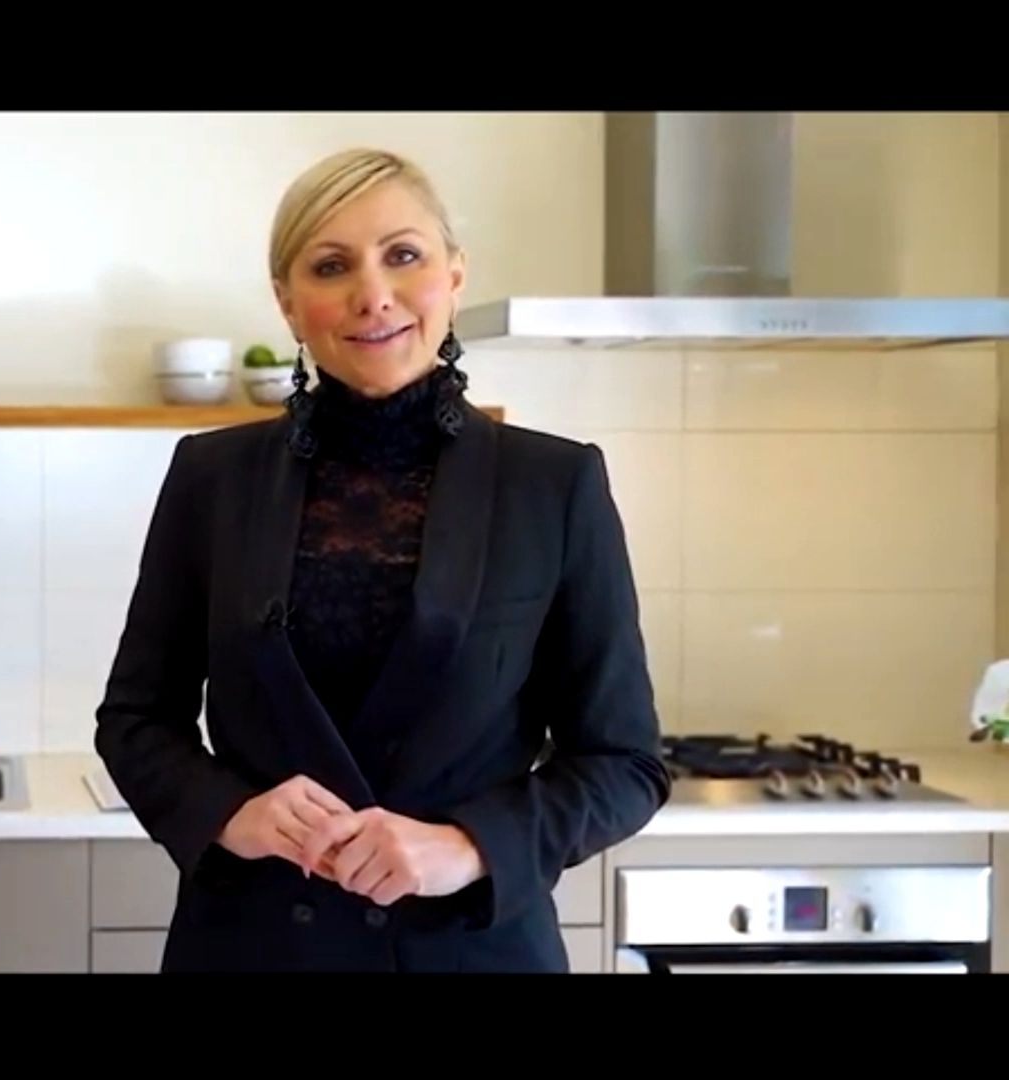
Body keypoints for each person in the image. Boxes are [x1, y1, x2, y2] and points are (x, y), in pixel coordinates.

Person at [93, 147, 670, 973]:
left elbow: (625, 763)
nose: (373, 295)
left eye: (403, 255)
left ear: (455, 275)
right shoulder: (212, 477)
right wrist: (231, 813)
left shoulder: (555, 484)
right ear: (289, 303)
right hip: (255, 948)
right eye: (332, 266)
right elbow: (136, 720)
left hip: (468, 953)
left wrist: (467, 845)